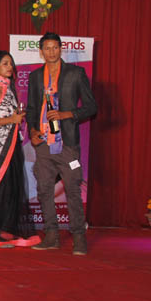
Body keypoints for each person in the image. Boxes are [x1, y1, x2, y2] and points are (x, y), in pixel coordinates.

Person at [27, 32, 97, 255]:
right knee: (44, 190)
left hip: (67, 144)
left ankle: (79, 238)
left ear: (61, 48)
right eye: (47, 48)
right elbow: (31, 109)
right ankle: (51, 236)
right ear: (41, 52)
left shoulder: (76, 73)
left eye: (55, 47)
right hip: (43, 143)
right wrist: (33, 131)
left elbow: (91, 107)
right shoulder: (36, 77)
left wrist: (67, 114)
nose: (51, 52)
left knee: (73, 190)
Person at [0, 51, 38, 248]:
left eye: (11, 63)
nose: (9, 67)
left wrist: (15, 118)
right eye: (5, 63)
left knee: (9, 188)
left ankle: (0, 229)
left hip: (11, 146)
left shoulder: (9, 89)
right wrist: (12, 119)